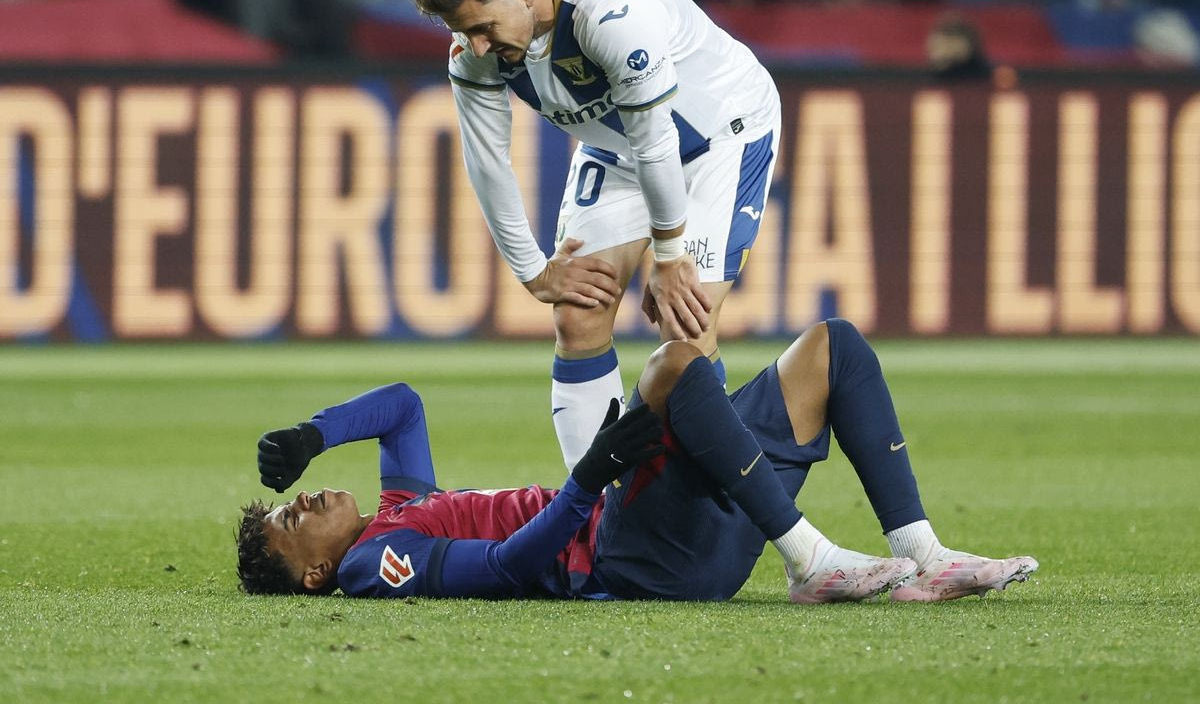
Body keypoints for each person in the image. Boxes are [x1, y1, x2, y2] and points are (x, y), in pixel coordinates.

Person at [237, 319, 1038, 603]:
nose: (300, 501)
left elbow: (404, 404)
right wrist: (589, 478)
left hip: (673, 532)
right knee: (672, 365)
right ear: (314, 573)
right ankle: (811, 559)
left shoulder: (394, 513)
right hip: (630, 554)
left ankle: (923, 553)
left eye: (289, 499)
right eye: (290, 522)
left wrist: (314, 432)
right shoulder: (371, 564)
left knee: (836, 349)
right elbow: (511, 565)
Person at [411, 0, 783, 469]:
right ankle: (592, 511)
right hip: (621, 145)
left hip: (721, 136)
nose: (476, 45)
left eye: (483, 27)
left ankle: (716, 508)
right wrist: (535, 272)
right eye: (463, 32)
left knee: (685, 325)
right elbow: (487, 163)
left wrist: (669, 256)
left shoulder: (611, 15)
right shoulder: (475, 51)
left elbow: (657, 139)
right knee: (577, 314)